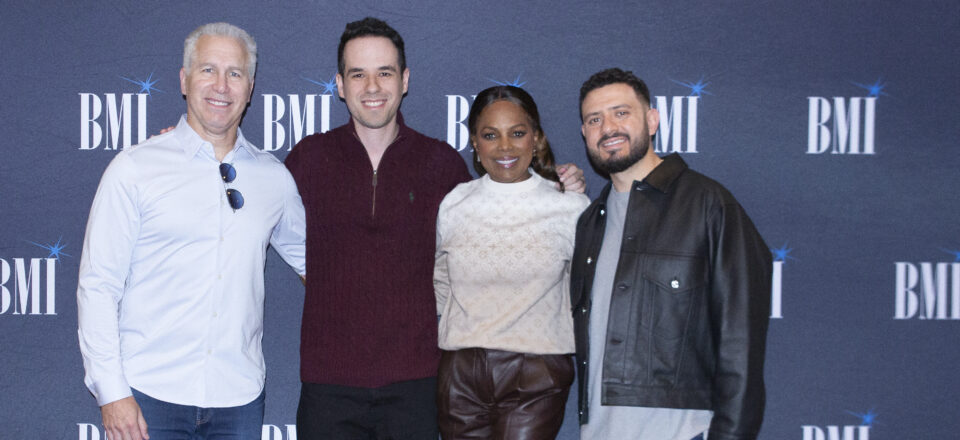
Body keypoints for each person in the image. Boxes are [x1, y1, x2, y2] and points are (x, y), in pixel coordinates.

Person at [284, 17, 585, 439]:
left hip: (418, 384)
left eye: (384, 72)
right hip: (327, 385)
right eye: (358, 74)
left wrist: (557, 184)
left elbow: (505, 211)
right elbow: (255, 216)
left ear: (404, 80)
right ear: (339, 85)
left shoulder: (441, 164)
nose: (372, 87)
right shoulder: (308, 159)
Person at [77, 23, 305, 440]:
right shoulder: (135, 168)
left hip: (239, 401)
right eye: (208, 70)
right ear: (184, 81)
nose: (221, 86)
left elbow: (319, 265)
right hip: (147, 397)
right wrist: (111, 392)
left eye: (235, 73)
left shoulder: (274, 179)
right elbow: (98, 285)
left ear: (250, 88)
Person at [571, 68, 772, 440]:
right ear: (585, 133)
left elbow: (740, 342)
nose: (608, 127)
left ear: (652, 120)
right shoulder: (589, 223)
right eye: (594, 119)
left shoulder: (709, 205)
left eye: (621, 113)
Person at [434, 85, 590, 439]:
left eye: (517, 133)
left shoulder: (570, 207)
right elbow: (441, 283)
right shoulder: (455, 204)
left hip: (537, 374)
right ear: (475, 143)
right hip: (461, 374)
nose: (505, 147)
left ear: (536, 138)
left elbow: (582, 294)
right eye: (491, 135)